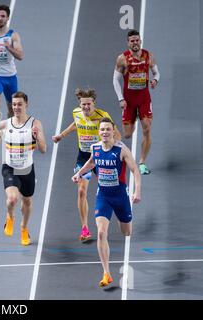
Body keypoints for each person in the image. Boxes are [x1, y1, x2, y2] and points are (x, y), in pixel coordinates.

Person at [72, 118, 141, 287]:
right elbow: (91, 162)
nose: (104, 132)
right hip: (103, 196)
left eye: (107, 129)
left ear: (112, 131)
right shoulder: (95, 148)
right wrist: (79, 173)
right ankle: (106, 273)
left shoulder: (121, 149)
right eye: (101, 129)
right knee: (101, 233)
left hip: (120, 197)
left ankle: (123, 219)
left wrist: (137, 191)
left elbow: (135, 171)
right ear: (99, 132)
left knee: (127, 232)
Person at [52, 88, 121, 243]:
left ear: (93, 103)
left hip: (101, 156)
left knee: (109, 190)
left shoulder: (103, 116)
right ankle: (85, 229)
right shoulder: (76, 113)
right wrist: (61, 136)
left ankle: (120, 214)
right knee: (81, 192)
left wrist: (109, 147)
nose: (86, 107)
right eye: (83, 104)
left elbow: (117, 135)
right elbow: (76, 124)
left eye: (89, 104)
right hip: (84, 157)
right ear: (80, 104)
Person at [0, 91, 46, 246]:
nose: (16, 107)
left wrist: (36, 137)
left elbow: (43, 149)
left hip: (27, 170)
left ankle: (24, 228)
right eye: (14, 104)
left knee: (27, 201)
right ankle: (10, 216)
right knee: (13, 199)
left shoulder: (35, 124)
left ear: (26, 104)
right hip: (10, 168)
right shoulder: (5, 124)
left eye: (19, 104)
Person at [113, 29, 160, 175]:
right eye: (132, 40)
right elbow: (115, 79)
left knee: (146, 127)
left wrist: (155, 80)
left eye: (137, 40)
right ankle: (116, 129)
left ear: (140, 41)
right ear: (128, 43)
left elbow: (156, 73)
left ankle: (142, 162)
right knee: (127, 134)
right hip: (129, 101)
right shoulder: (122, 59)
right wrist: (121, 98)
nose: (135, 43)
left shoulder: (149, 55)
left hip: (144, 98)